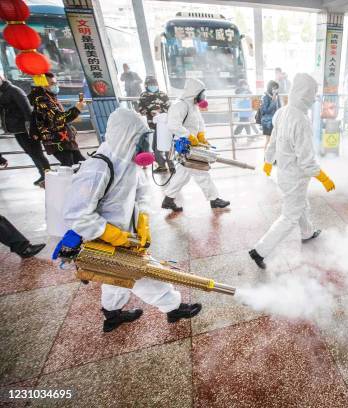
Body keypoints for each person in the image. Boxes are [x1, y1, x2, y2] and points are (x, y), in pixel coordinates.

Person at [62, 108, 201, 332]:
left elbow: (142, 193)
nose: (143, 145)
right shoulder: (98, 168)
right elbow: (76, 214)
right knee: (143, 272)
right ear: (126, 136)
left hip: (127, 234)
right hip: (104, 238)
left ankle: (112, 314)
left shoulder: (129, 162)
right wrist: (112, 235)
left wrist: (143, 221)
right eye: (139, 139)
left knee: (115, 276)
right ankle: (173, 307)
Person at [249, 73, 335, 270]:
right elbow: (306, 160)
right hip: (296, 177)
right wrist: (323, 177)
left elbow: (272, 140)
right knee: (289, 217)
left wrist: (268, 162)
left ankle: (307, 233)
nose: (314, 98)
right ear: (304, 94)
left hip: (285, 174)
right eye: (313, 94)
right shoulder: (301, 121)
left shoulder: (282, 112)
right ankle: (260, 250)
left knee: (300, 205)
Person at [161, 78, 230, 212]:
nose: (203, 97)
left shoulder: (193, 105)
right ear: (194, 92)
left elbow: (199, 122)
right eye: (202, 94)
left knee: (183, 174)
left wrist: (201, 135)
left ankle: (168, 199)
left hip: (193, 144)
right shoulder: (179, 105)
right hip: (185, 144)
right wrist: (189, 136)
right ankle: (214, 199)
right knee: (201, 172)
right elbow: (173, 124)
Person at [0, 75, 50, 186]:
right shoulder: (2, 92)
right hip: (16, 129)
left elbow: (27, 108)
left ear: (1, 78)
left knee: (37, 153)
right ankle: (43, 175)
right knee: (31, 153)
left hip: (25, 128)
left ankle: (48, 176)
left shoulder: (13, 90)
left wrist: (31, 128)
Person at [29, 72, 86, 167]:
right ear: (42, 84)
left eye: (55, 83)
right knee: (69, 167)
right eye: (52, 83)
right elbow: (57, 118)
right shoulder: (42, 100)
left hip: (65, 140)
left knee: (81, 163)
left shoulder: (50, 96)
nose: (55, 85)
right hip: (56, 141)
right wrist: (77, 109)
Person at [137, 76, 171, 173]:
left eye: (155, 84)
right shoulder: (143, 96)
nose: (153, 86)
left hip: (164, 124)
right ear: (146, 85)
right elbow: (141, 109)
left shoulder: (163, 95)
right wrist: (149, 111)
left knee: (163, 145)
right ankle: (163, 165)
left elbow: (169, 108)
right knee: (156, 146)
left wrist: (160, 112)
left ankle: (167, 165)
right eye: (151, 84)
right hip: (152, 125)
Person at [261, 80, 281, 149]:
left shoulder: (277, 96)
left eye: (276, 88)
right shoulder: (265, 97)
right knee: (269, 140)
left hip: (276, 121)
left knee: (276, 141)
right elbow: (266, 110)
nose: (275, 90)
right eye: (274, 88)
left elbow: (279, 109)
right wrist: (273, 100)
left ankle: (274, 158)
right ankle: (266, 158)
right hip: (268, 122)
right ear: (270, 88)